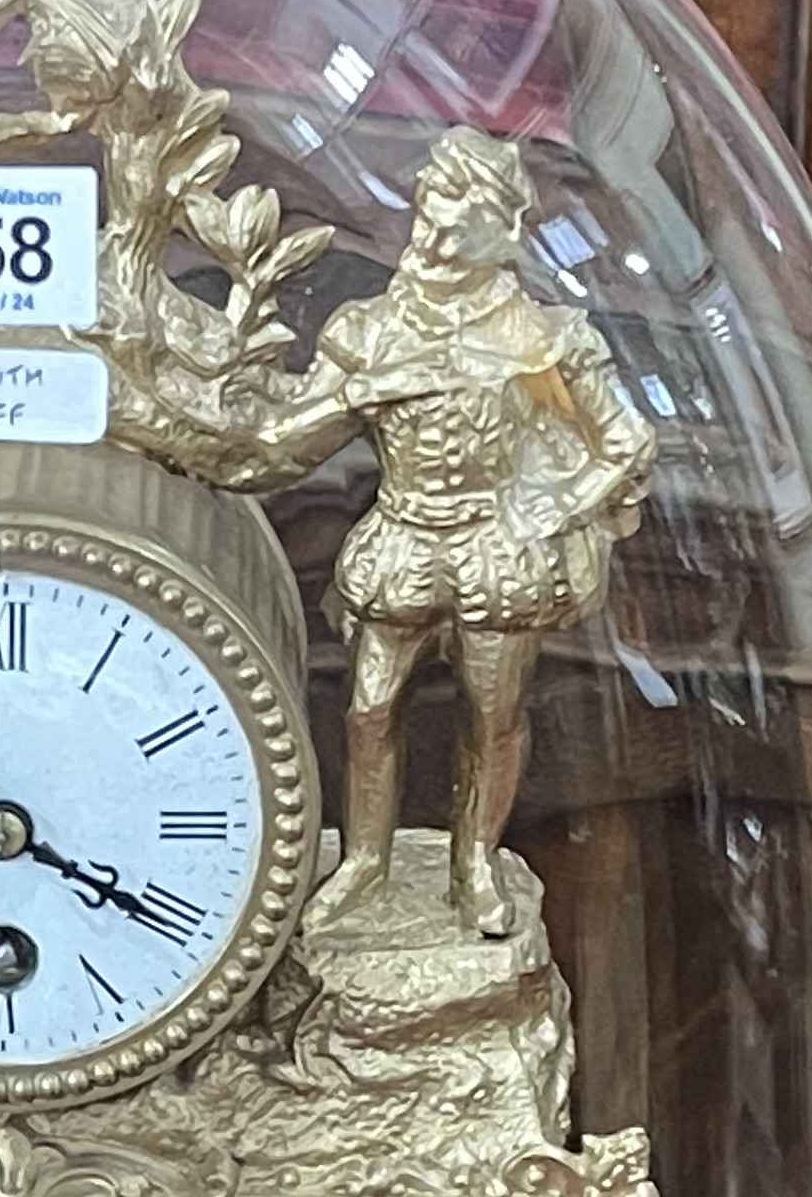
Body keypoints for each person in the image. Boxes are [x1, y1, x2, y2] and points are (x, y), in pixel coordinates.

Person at [265, 129, 659, 939]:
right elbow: (293, 437)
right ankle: (364, 862)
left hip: (495, 550)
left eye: (458, 231)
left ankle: (474, 862)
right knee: (368, 708)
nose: (436, 244)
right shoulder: (371, 331)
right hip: (403, 538)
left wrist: (552, 508)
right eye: (428, 222)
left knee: (493, 712)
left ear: (502, 237)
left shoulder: (543, 339)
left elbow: (626, 443)